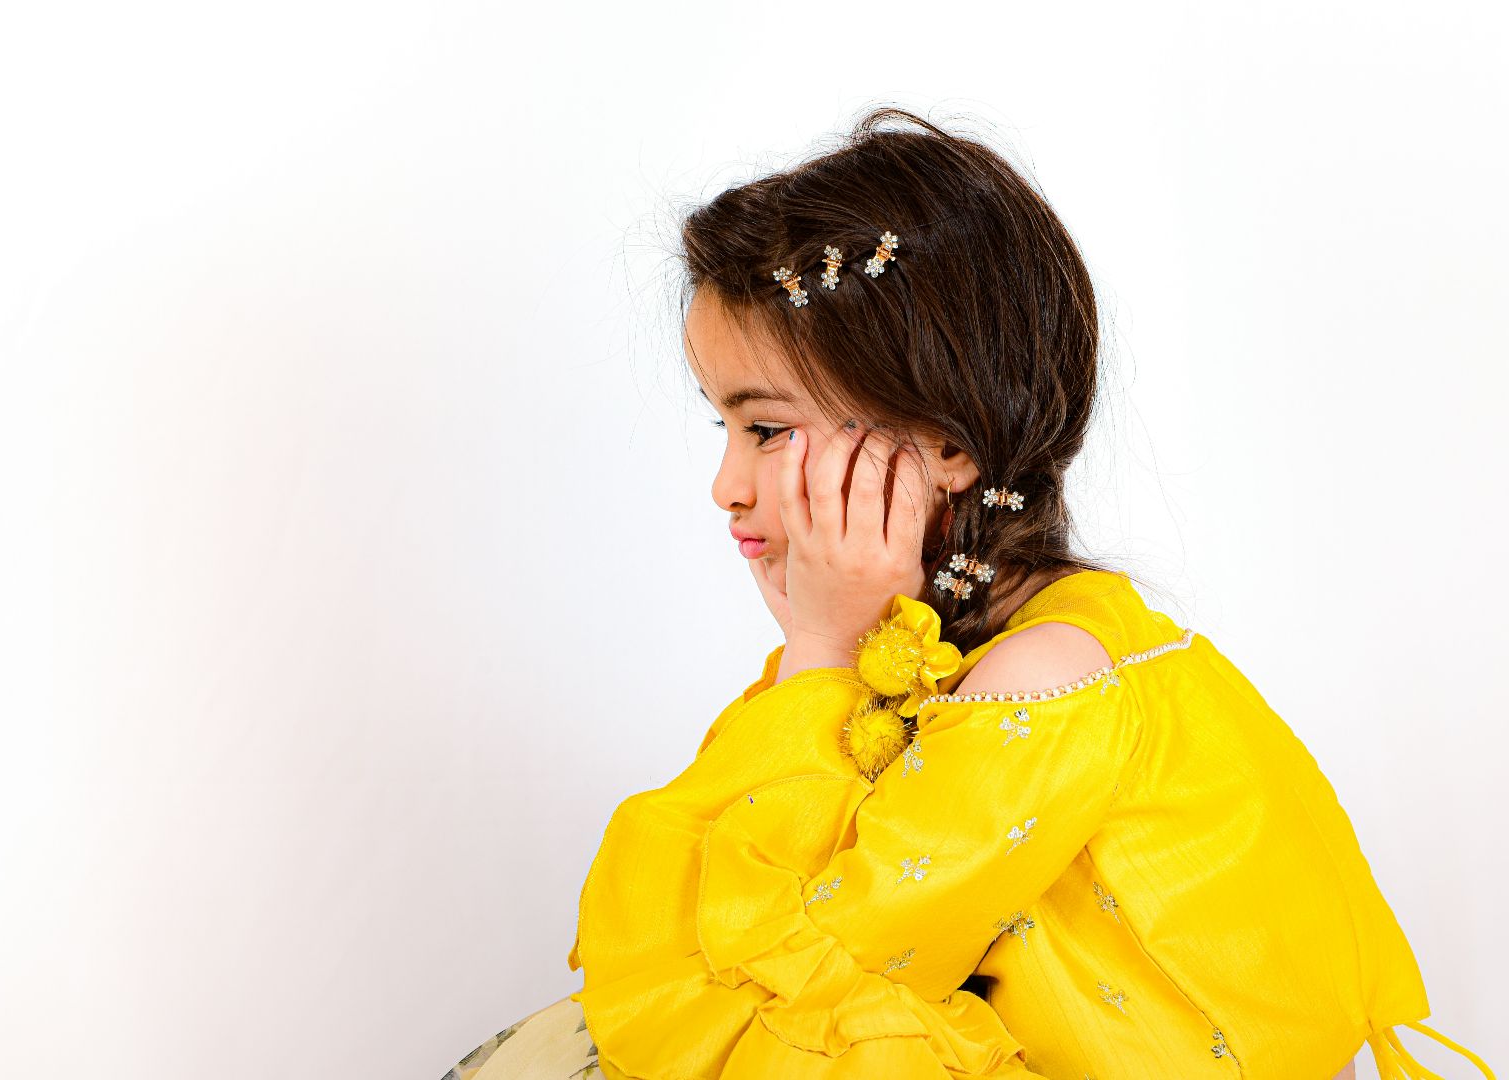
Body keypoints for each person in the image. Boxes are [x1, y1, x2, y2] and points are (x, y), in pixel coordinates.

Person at [443, 108, 1495, 1080]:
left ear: (944, 442)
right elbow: (715, 924)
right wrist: (830, 646)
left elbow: (785, 981)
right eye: (719, 425)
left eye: (764, 428)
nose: (727, 485)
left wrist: (818, 650)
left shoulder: (1044, 677)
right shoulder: (922, 647)